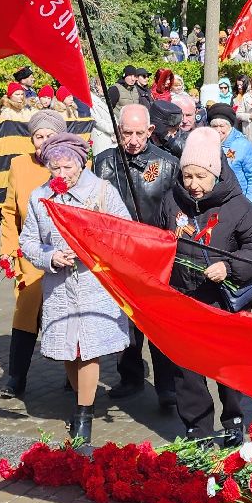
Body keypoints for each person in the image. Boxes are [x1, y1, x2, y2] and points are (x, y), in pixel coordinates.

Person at [19, 132, 133, 442]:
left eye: (69, 167)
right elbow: (27, 241)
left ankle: (84, 414)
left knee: (88, 351)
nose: (62, 174)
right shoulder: (39, 197)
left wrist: (94, 249)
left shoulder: (102, 192)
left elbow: (124, 232)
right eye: (55, 167)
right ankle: (81, 402)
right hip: (59, 287)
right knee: (69, 350)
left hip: (95, 285)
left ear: (81, 164)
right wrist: (51, 256)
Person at [168, 127, 252, 443]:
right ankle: (197, 427)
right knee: (187, 369)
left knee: (228, 365)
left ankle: (234, 419)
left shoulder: (238, 206)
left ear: (215, 172)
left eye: (201, 176)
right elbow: (158, 237)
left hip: (225, 301)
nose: (193, 185)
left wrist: (228, 266)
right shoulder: (172, 201)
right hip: (184, 298)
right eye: (188, 177)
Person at [91, 103, 179, 403]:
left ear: (150, 131)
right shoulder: (102, 163)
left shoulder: (166, 164)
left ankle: (167, 385)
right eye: (127, 132)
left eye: (140, 133)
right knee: (124, 319)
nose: (133, 140)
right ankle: (130, 375)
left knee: (157, 321)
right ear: (117, 131)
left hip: (153, 254)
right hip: (115, 254)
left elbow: (173, 211)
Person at [0, 110, 62, 398]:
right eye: (39, 136)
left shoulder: (72, 163)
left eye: (50, 136)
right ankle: (16, 376)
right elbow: (10, 212)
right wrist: (9, 250)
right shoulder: (19, 165)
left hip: (63, 253)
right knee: (25, 311)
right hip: (29, 252)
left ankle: (74, 376)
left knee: (64, 312)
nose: (44, 141)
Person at [204, 103, 252, 204]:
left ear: (230, 126)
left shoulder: (243, 145)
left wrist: (250, 203)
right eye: (214, 126)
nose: (218, 130)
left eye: (222, 126)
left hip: (238, 200)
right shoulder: (206, 143)